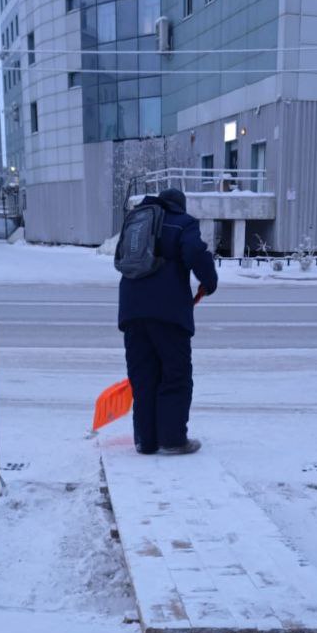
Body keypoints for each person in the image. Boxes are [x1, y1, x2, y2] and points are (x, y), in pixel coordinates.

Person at [118, 187, 218, 455]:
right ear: (180, 206)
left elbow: (120, 260)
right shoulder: (182, 222)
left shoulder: (136, 220)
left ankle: (146, 441)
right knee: (175, 375)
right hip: (168, 312)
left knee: (143, 377)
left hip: (131, 311)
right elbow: (195, 253)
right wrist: (209, 283)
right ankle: (173, 440)